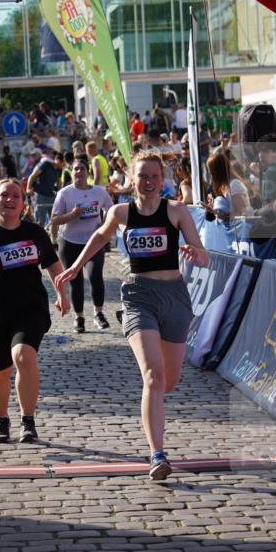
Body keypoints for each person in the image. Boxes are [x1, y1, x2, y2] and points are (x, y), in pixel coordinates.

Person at [56, 151, 209, 481]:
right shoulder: (121, 211)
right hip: (139, 296)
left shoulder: (177, 211)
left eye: (154, 176)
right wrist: (75, 267)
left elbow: (204, 256)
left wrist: (195, 253)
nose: (149, 182)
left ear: (163, 180)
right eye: (142, 176)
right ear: (132, 180)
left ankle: (156, 429)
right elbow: (99, 237)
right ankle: (157, 453)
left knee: (169, 381)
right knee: (153, 376)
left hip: (175, 297)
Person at [0, 178, 71, 444]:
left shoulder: (34, 233)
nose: (9, 200)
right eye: (3, 196)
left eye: (15, 196)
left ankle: (28, 420)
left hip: (29, 307)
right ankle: (1, 419)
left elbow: (53, 265)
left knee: (23, 357)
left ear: (23, 204)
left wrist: (62, 294)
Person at [50, 158, 115, 333]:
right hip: (70, 242)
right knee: (75, 281)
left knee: (95, 276)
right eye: (76, 169)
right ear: (72, 172)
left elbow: (112, 211)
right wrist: (72, 215)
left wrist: (105, 227)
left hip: (93, 242)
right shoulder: (65, 193)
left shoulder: (99, 193)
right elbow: (54, 219)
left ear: (88, 172)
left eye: (82, 169)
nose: (79, 172)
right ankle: (79, 317)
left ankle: (98, 313)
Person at [26, 147, 58, 228]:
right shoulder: (43, 163)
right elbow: (32, 176)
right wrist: (28, 189)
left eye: (34, 155)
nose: (33, 156)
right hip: (40, 195)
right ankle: (40, 239)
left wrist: (59, 192)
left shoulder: (50, 164)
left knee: (54, 221)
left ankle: (52, 239)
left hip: (51, 195)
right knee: (41, 222)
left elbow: (58, 181)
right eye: (32, 155)